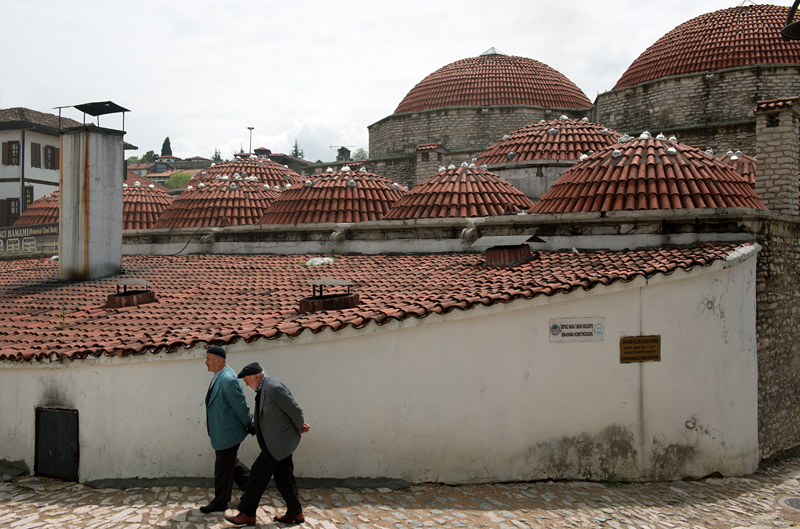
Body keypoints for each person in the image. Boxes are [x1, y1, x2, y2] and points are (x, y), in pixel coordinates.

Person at [225, 362, 310, 526]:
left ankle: (247, 513)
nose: (247, 385)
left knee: (257, 473)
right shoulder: (263, 388)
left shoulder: (273, 387)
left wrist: (299, 426)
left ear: (257, 376)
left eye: (248, 381)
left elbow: (295, 409)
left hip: (278, 442)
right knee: (283, 476)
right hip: (276, 442)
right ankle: (296, 512)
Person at [202, 346, 254, 514]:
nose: (206, 363)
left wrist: (249, 422)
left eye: (208, 359)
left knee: (223, 467)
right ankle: (253, 486)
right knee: (231, 463)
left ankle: (220, 502)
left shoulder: (228, 379)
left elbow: (240, 404)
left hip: (228, 432)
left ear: (219, 360)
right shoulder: (219, 376)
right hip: (223, 431)